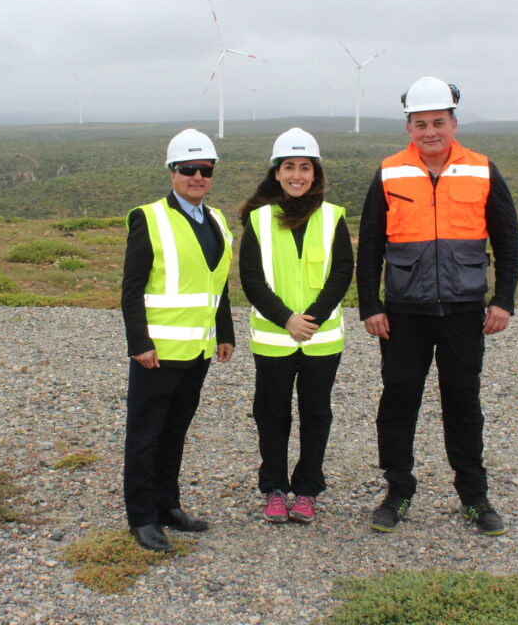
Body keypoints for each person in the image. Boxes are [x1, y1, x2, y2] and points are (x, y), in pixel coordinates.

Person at [357, 77, 518, 536]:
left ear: (454, 122)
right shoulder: (389, 171)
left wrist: (503, 300)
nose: (430, 131)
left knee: (463, 401)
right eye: (420, 123)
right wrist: (370, 304)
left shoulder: (483, 169)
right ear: (408, 127)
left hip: (465, 309)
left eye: (438, 122)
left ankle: (474, 495)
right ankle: (397, 491)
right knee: (398, 399)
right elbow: (370, 243)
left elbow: (507, 239)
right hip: (404, 311)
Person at [120, 128, 235, 552]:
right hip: (158, 353)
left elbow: (217, 283)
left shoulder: (218, 219)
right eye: (189, 169)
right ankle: (142, 517)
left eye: (205, 169)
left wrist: (225, 332)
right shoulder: (147, 218)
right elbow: (132, 289)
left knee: (176, 431)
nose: (198, 177)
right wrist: (140, 343)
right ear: (173, 172)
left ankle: (168, 505)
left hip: (199, 351)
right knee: (146, 433)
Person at [238, 128, 354, 524]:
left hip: (321, 339)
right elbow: (251, 278)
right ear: (276, 172)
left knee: (316, 413)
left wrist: (312, 319)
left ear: (315, 172)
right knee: (271, 413)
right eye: (289, 167)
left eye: (305, 167)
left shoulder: (333, 216)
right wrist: (286, 319)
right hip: (274, 337)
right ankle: (274, 487)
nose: (297, 175)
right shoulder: (257, 220)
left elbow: (342, 272)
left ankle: (307, 489)